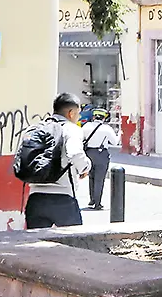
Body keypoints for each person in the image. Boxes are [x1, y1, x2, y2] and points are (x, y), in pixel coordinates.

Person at [25, 93, 91, 229]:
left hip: (35, 199)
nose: (78, 117)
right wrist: (85, 167)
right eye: (78, 114)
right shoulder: (72, 129)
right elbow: (75, 153)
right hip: (63, 199)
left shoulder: (35, 128)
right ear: (71, 113)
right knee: (74, 244)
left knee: (38, 246)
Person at [82, 109, 119, 211]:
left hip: (88, 153)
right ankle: (97, 203)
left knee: (91, 177)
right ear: (103, 118)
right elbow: (115, 142)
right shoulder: (106, 129)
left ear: (94, 117)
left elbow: (81, 139)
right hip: (101, 154)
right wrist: (119, 134)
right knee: (99, 179)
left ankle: (92, 199)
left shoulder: (86, 126)